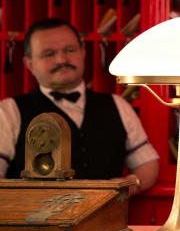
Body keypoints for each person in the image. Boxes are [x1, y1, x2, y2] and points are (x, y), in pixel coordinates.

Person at [0, 18, 159, 193]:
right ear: (29, 64)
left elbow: (147, 162)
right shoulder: (8, 112)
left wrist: (131, 184)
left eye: (69, 50)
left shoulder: (117, 104)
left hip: (107, 218)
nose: (61, 59)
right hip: (34, 219)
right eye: (48, 54)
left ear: (83, 52)